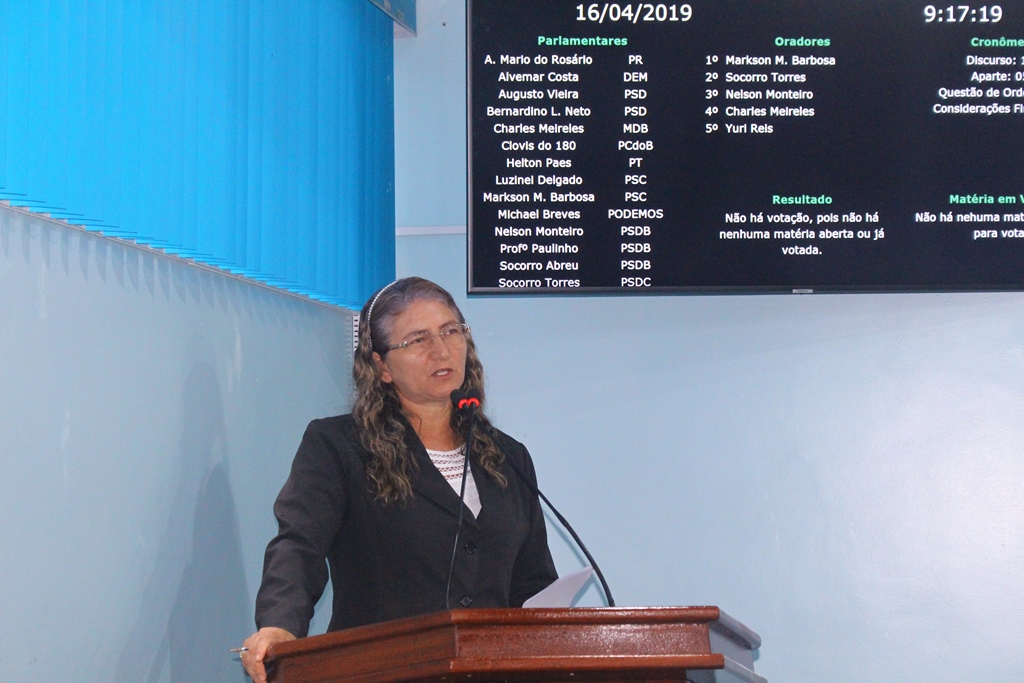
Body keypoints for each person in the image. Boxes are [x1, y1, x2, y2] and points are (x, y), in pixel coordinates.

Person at [240, 277, 558, 683]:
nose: (442, 350)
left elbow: (533, 584)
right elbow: (299, 545)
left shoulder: (508, 457)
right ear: (381, 366)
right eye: (418, 340)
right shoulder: (339, 447)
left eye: (450, 331)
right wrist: (280, 624)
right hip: (380, 672)